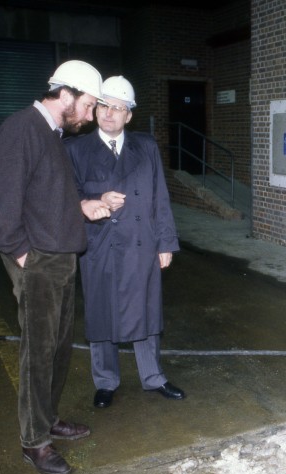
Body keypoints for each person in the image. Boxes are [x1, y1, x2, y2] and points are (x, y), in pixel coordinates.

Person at [0, 60, 111, 474]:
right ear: (66, 95)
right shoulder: (22, 129)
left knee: (57, 349)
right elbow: (1, 209)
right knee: (37, 354)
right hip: (39, 260)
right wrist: (25, 258)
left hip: (60, 258)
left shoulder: (53, 136)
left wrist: (81, 208)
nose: (91, 117)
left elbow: (44, 198)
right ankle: (34, 441)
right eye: (89, 106)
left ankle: (48, 417)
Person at [65, 75, 184, 410]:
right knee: (101, 314)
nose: (109, 114)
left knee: (146, 311)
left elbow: (160, 196)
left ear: (129, 115)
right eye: (103, 105)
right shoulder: (76, 149)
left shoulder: (146, 147)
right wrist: (94, 198)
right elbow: (67, 195)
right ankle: (105, 382)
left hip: (141, 243)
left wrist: (165, 243)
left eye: (118, 108)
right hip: (100, 244)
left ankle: (153, 377)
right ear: (96, 109)